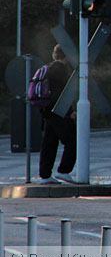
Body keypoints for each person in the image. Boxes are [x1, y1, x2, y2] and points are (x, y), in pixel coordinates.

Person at [37, 45, 77, 185]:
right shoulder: (60, 69)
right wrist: (70, 111)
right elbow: (63, 93)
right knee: (72, 140)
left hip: (47, 111)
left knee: (49, 143)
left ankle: (45, 175)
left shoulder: (48, 67)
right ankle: (64, 171)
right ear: (66, 56)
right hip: (59, 111)